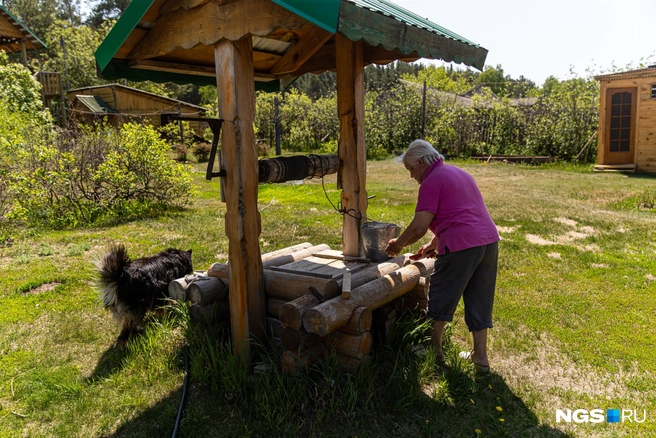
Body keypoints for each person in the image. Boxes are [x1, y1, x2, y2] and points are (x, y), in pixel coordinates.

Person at [385, 139, 499, 372]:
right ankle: (480, 357)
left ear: (420, 162)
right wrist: (434, 243)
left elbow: (418, 226)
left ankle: (433, 350)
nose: (411, 176)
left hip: (462, 245)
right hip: (488, 242)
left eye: (411, 170)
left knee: (440, 295)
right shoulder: (458, 173)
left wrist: (397, 244)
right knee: (479, 298)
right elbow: (462, 212)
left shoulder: (431, 182)